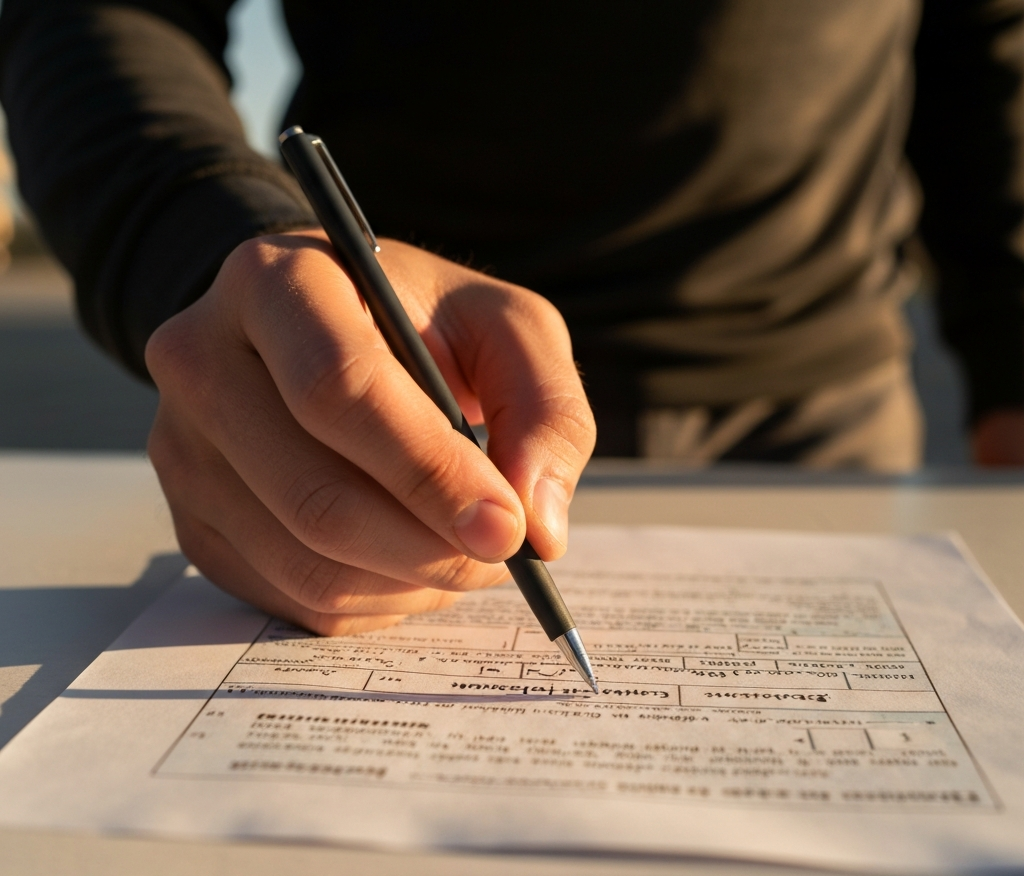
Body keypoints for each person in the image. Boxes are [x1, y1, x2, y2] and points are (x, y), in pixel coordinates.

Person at [1, 0, 1022, 636]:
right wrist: (220, 248)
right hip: (393, 393)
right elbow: (96, 14)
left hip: (824, 393)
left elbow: (993, 48)